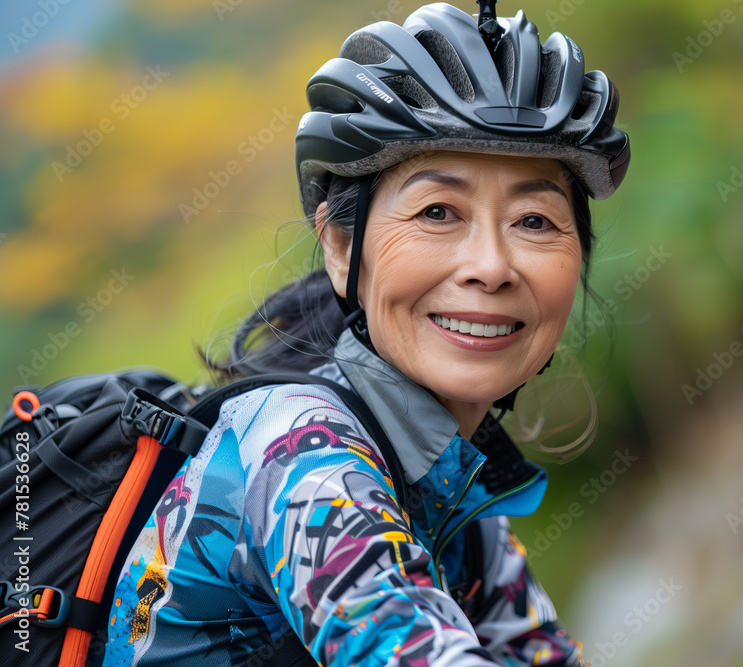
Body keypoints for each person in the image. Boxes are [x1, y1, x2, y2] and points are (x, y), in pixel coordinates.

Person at [100, 1, 629, 664]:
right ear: (342, 246)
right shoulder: (305, 455)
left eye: (534, 221)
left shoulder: (459, 500)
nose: (492, 266)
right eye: (438, 211)